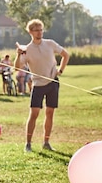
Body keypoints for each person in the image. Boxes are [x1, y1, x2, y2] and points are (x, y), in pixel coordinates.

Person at [15, 19, 70, 152]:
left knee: (50, 113)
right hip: (38, 85)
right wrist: (18, 55)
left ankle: (46, 142)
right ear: (30, 32)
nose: (39, 32)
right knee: (34, 113)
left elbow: (65, 54)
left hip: (53, 82)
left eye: (41, 29)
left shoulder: (50, 44)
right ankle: (28, 144)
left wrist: (60, 70)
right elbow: (17, 67)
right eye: (36, 30)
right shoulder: (26, 50)